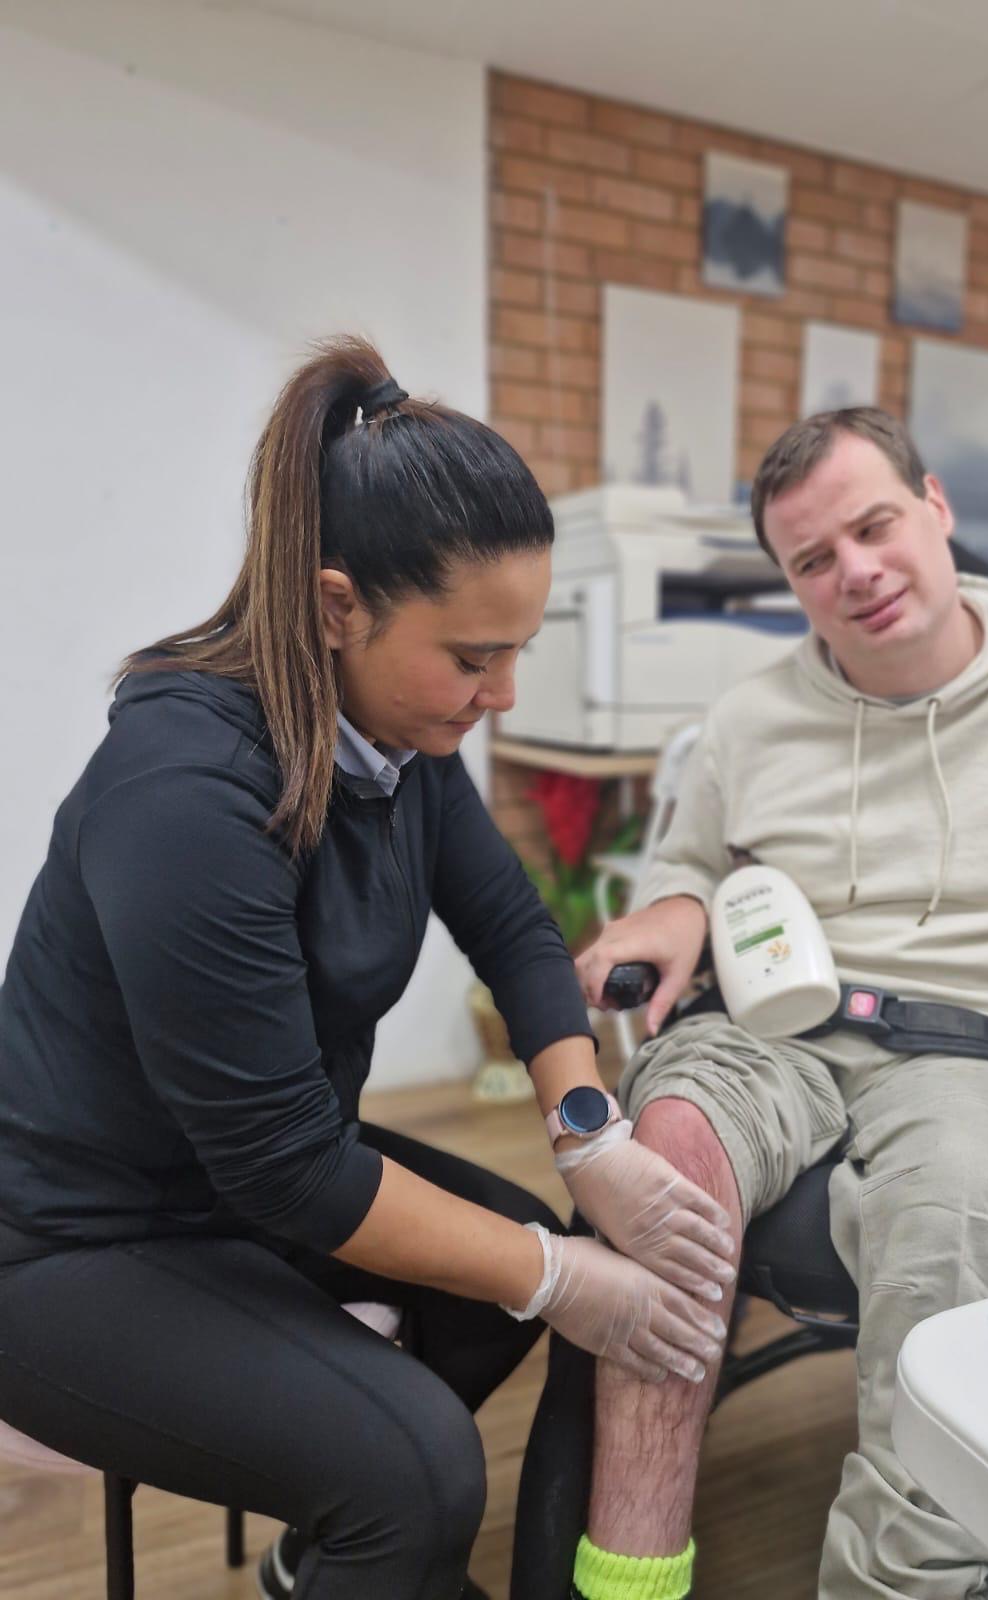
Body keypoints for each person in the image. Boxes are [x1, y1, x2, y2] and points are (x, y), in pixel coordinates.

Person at [0, 336, 736, 1600]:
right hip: (70, 1247)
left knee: (505, 1279)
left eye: (519, 650)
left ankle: (342, 1556)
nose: (501, 694)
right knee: (421, 1468)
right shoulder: (184, 795)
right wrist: (564, 1280)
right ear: (338, 606)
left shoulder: (398, 750)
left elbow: (510, 930)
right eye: (470, 657)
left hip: (244, 1193)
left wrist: (584, 1132)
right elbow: (291, 1164)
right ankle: (364, 1527)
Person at [551, 407, 988, 1600]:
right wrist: (671, 911)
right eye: (813, 558)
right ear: (792, 581)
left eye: (874, 525)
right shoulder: (749, 718)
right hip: (774, 1023)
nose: (853, 571)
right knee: (671, 1148)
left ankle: (895, 1586)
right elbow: (690, 867)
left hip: (982, 1044)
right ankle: (629, 1580)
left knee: (942, 1212)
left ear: (936, 507)